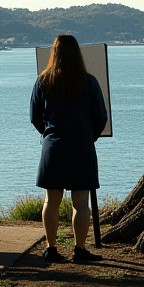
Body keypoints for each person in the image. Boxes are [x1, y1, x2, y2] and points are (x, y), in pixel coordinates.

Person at [30, 33, 109, 263]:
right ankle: (80, 249)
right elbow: (101, 118)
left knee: (50, 201)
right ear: (78, 54)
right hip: (81, 147)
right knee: (81, 202)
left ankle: (51, 248)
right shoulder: (89, 82)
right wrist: (89, 136)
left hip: (53, 148)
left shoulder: (43, 81)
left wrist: (47, 134)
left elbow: (35, 117)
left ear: (54, 54)